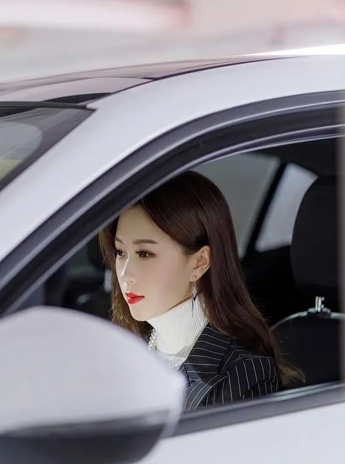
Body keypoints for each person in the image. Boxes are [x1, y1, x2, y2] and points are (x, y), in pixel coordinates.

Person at [99, 171, 302, 412]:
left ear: (199, 262)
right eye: (120, 252)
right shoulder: (124, 349)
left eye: (145, 254)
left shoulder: (243, 374)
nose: (124, 275)